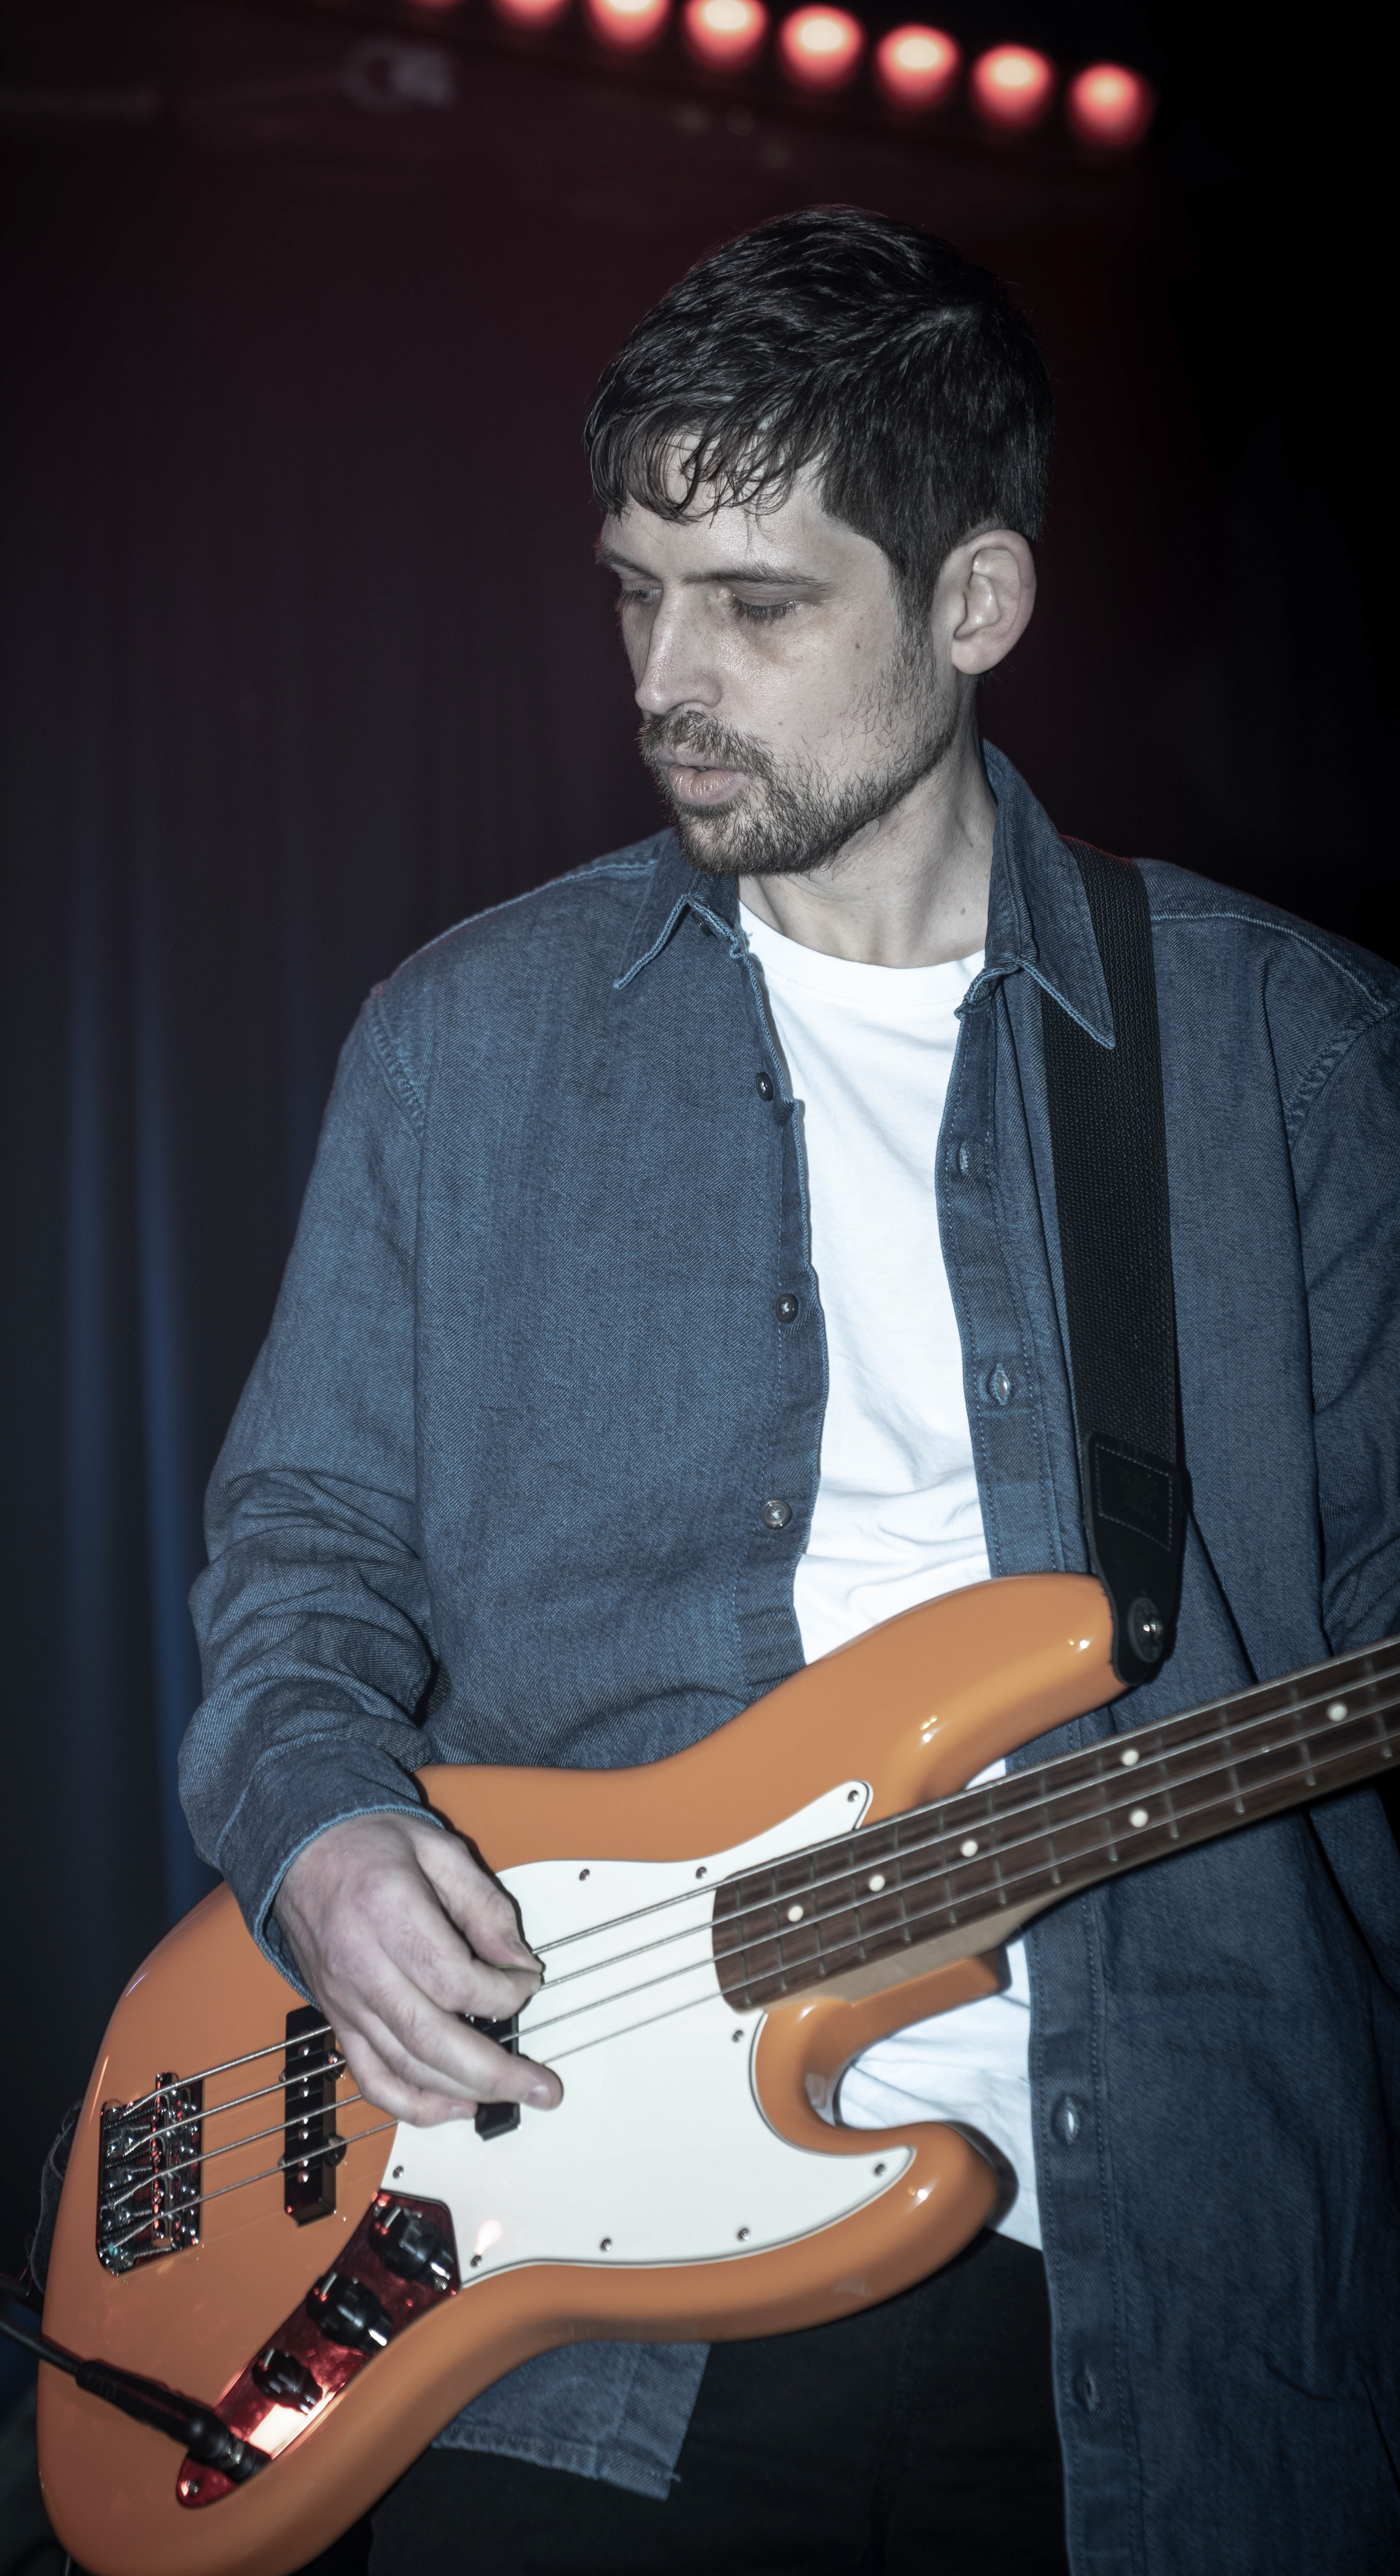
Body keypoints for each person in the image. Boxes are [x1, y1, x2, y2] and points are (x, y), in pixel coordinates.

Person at [179, 209, 1400, 2575]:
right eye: (638, 593)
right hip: (564, 2306)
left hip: (1168, 2298)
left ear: (976, 604)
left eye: (756, 605)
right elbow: (301, 1564)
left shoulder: (1301, 1060)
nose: (669, 677)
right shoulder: (468, 1042)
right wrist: (324, 1836)